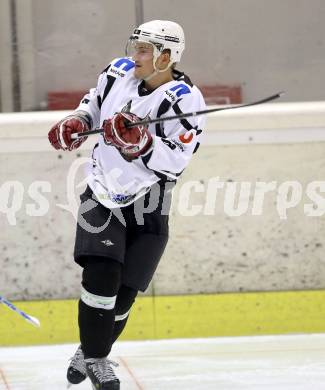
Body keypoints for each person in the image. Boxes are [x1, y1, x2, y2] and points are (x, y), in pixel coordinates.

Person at [48, 19, 206, 390]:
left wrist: (141, 144)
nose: (134, 56)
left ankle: (89, 349)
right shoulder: (117, 73)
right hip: (102, 191)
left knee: (125, 293)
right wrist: (78, 119)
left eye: (144, 50)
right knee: (100, 276)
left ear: (167, 56)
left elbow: (178, 160)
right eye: (135, 47)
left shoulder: (184, 100)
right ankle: (98, 359)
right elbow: (93, 102)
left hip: (149, 201)